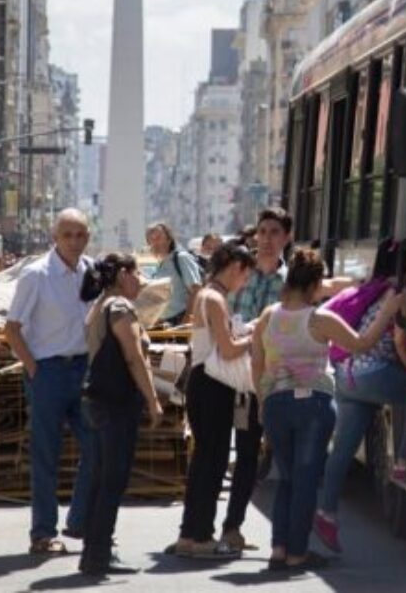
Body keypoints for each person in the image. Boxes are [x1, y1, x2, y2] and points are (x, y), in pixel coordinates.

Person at [252, 247, 396, 572]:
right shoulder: (320, 319)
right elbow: (361, 344)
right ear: (315, 284)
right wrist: (387, 311)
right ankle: (297, 553)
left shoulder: (267, 317)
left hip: (275, 403)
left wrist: (263, 404)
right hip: (313, 406)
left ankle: (278, 549)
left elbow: (258, 365)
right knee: (305, 481)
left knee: (286, 479)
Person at [4, 209, 96, 555]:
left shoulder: (91, 271)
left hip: (82, 369)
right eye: (68, 235)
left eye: (81, 235)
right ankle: (43, 533)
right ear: (55, 237)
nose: (74, 241)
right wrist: (34, 369)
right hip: (49, 371)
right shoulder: (36, 275)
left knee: (96, 446)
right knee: (46, 455)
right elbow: (11, 329)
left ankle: (79, 521)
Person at [314, 240, 406, 553]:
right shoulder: (397, 294)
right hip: (374, 372)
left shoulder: (370, 289)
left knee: (343, 449)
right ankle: (403, 462)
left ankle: (326, 512)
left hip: (347, 374)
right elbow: (399, 339)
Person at [77, 253, 164, 577]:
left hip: (98, 401)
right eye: (137, 272)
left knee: (101, 478)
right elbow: (133, 357)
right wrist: (153, 399)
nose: (140, 279)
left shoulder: (100, 305)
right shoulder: (120, 308)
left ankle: (93, 552)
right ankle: (99, 554)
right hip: (115, 403)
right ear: (124, 274)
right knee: (112, 480)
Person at [172, 243, 256, 558]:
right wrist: (254, 335)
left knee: (203, 460)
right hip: (213, 385)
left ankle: (189, 535)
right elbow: (229, 349)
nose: (244, 283)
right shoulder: (215, 298)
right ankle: (202, 536)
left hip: (203, 383)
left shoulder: (205, 296)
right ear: (235, 267)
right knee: (213, 461)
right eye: (245, 275)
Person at [220, 207, 293, 552]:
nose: (266, 239)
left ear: (286, 238)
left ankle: (288, 539)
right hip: (239, 377)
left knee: (287, 460)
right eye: (262, 232)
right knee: (244, 454)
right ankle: (231, 528)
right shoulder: (239, 273)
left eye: (274, 232)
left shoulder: (291, 282)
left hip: (278, 379)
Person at [147, 222, 203, 327]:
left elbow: (196, 290)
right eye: (151, 239)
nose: (155, 242)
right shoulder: (160, 266)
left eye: (158, 237)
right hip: (165, 324)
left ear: (168, 240)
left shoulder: (181, 258)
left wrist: (185, 322)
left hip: (181, 321)